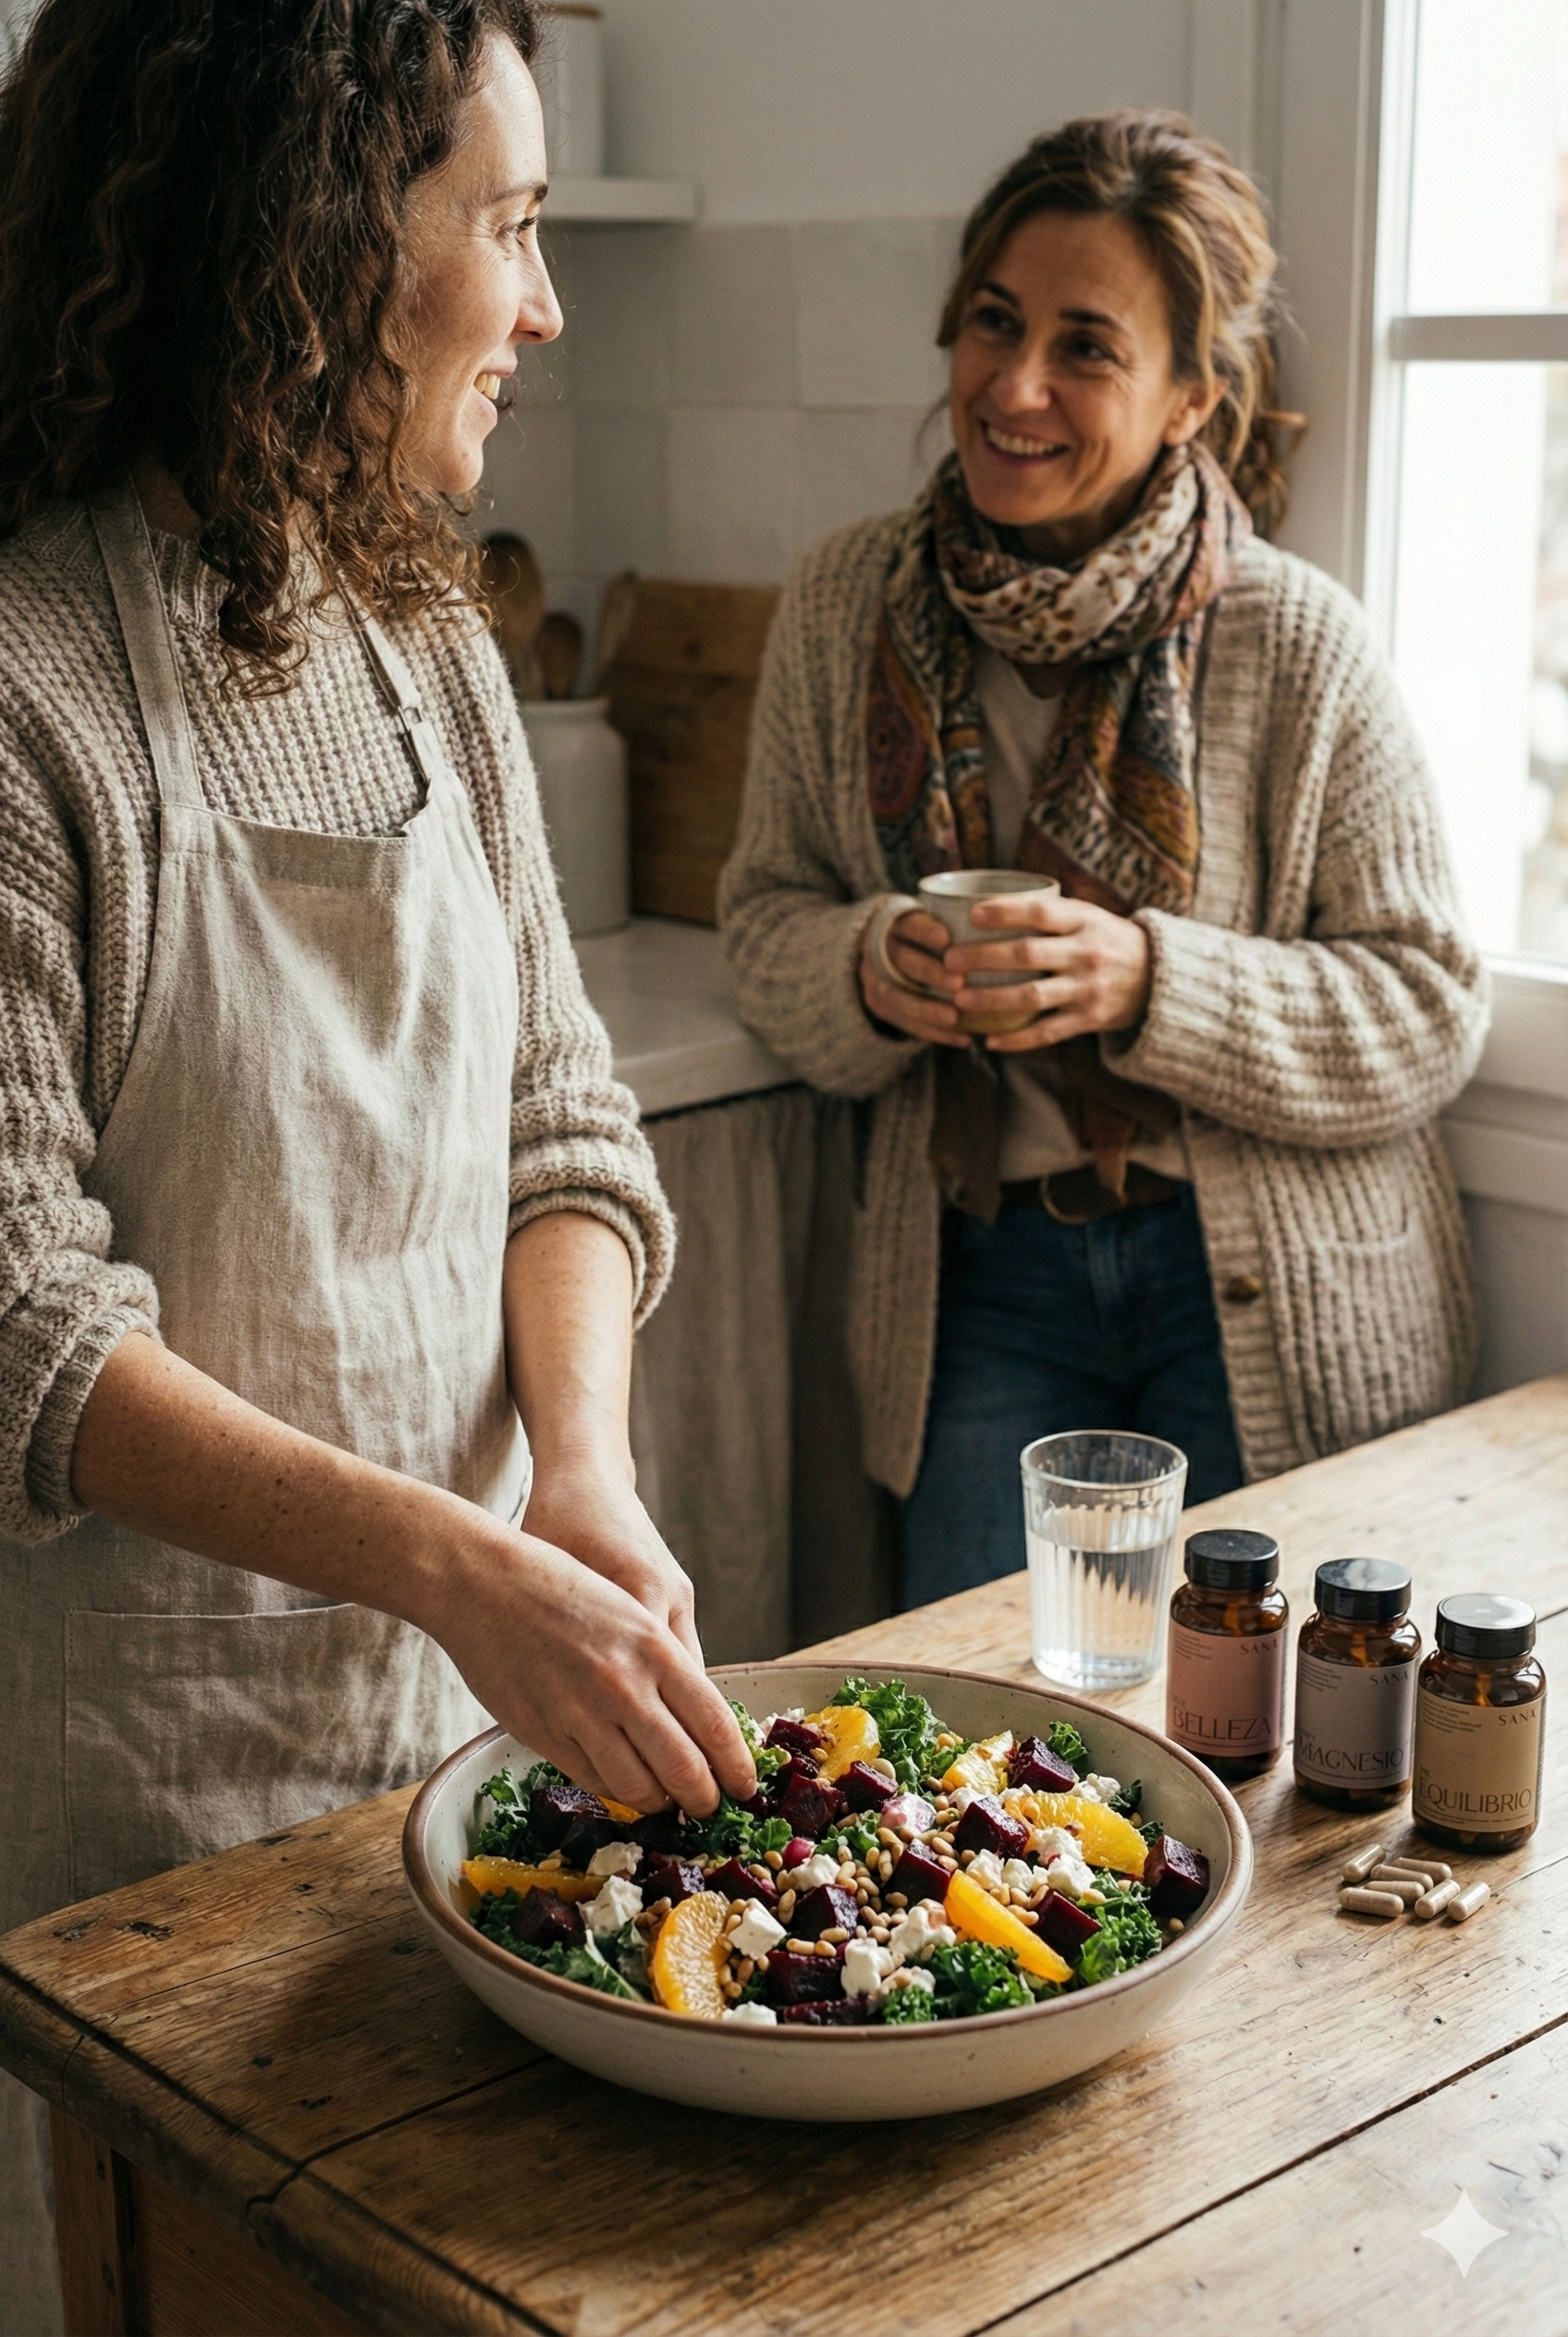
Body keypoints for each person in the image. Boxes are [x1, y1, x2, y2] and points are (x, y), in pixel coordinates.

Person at [0, 4, 753, 2322]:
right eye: (506, 228)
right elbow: (23, 1318)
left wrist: (582, 1495)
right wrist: (452, 1561)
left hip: (459, 1733)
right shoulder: (27, 683)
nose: (541, 306)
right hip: (150, 1786)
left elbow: (563, 1120)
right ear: (317, 239)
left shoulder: (426, 638)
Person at [720, 112, 1486, 1611]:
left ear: (1193, 395)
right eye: (995, 324)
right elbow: (762, 922)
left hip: (1253, 1279)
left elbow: (1429, 1006)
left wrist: (1152, 980)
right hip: (981, 1280)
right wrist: (874, 968)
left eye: (1087, 347)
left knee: (1253, 1744)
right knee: (992, 1722)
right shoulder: (842, 607)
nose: (1014, 389)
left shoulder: (1294, 639)